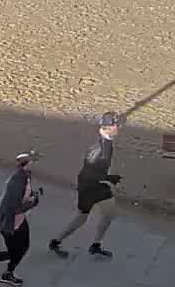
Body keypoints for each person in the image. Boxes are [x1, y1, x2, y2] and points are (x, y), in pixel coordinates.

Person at [51, 111, 124, 259]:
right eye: (116, 125)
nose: (119, 127)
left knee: (109, 214)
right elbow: (89, 171)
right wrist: (109, 178)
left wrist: (107, 178)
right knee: (81, 218)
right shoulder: (98, 147)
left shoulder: (107, 141)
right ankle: (55, 242)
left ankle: (96, 245)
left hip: (99, 185)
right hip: (89, 187)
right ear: (108, 127)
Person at [0, 151, 41, 283]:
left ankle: (8, 273)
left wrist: (33, 194)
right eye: (32, 161)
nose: (33, 163)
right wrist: (32, 203)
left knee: (24, 247)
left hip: (20, 221)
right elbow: (15, 207)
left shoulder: (26, 175)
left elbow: (23, 194)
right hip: (10, 223)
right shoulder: (17, 180)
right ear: (26, 164)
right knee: (13, 253)